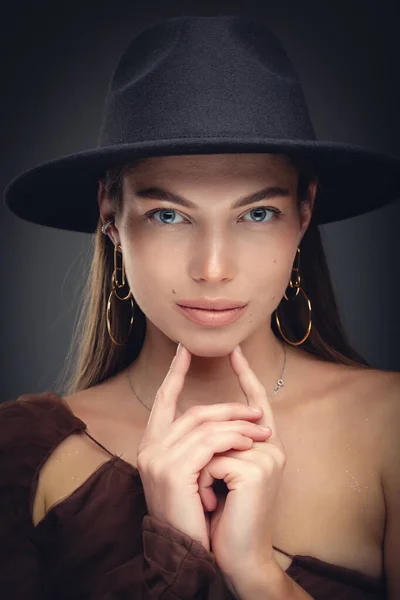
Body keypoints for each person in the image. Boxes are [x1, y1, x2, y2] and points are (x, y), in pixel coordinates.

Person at [1, 13, 399, 600]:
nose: (213, 268)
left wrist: (256, 573)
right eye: (169, 215)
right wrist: (172, 547)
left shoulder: (391, 424)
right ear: (111, 215)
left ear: (304, 212)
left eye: (256, 213)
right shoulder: (21, 454)